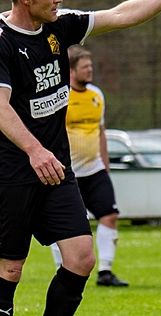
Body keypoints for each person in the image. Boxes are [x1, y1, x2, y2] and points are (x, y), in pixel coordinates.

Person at [0, 0, 161, 315]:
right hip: (12, 173)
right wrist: (34, 150)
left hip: (55, 171)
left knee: (81, 259)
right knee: (10, 270)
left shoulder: (58, 25)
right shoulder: (2, 42)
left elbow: (120, 14)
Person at [49, 46, 128, 287]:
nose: (90, 70)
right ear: (71, 71)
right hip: (67, 172)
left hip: (95, 170)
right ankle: (63, 270)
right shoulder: (61, 95)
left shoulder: (97, 95)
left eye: (91, 66)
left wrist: (105, 163)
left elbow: (101, 132)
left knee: (110, 216)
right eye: (85, 67)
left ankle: (105, 271)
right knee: (66, 225)